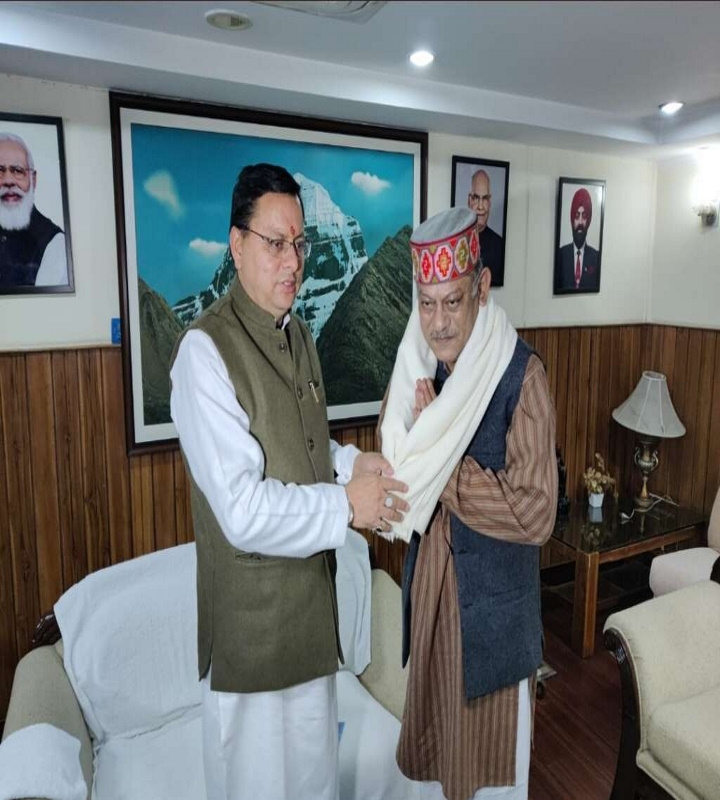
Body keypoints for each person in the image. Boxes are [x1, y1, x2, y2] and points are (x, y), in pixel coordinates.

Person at [169, 162, 409, 800]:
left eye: (300, 243)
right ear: (236, 243)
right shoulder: (202, 354)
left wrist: (349, 463)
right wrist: (347, 506)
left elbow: (300, 443)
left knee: (316, 787)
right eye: (276, 243)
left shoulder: (298, 332)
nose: (294, 261)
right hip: (251, 645)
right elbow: (242, 509)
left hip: (309, 629)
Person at [380, 207, 557, 800]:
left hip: (493, 620)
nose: (438, 322)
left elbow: (535, 513)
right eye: (426, 304)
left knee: (491, 779)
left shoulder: (521, 376)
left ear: (481, 286)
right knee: (435, 774)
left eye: (452, 302)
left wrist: (442, 459)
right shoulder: (416, 365)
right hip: (432, 600)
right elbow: (398, 460)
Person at [0, 132, 68, 289]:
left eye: (17, 170)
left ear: (33, 179)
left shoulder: (55, 245)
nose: (8, 181)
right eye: (0, 170)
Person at [555, 187, 600, 291]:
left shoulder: (596, 257)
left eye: (584, 216)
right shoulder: (561, 255)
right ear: (572, 220)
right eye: (576, 216)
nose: (580, 222)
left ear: (588, 221)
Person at [467, 168, 505, 286]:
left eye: (485, 199)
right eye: (476, 198)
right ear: (469, 201)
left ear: (489, 203)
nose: (480, 206)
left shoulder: (499, 245)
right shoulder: (456, 243)